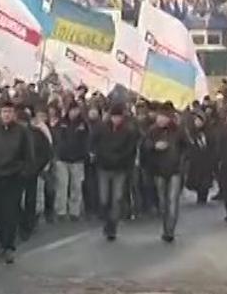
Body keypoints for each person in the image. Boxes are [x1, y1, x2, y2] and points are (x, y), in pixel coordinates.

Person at [0, 101, 33, 264]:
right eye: (4, 112)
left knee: (11, 212)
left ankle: (9, 246)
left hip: (14, 176)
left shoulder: (22, 131)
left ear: (14, 114)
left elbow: (28, 154)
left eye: (10, 112)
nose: (7, 115)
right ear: (0, 114)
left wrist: (24, 173)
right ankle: (1, 242)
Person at [91, 103, 138, 241]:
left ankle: (112, 226)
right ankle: (107, 221)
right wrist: (97, 155)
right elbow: (93, 142)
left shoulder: (128, 130)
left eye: (118, 117)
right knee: (104, 198)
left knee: (117, 198)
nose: (116, 119)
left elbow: (131, 149)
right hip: (104, 167)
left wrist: (122, 160)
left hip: (120, 168)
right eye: (114, 117)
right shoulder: (101, 128)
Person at [141, 106, 187, 243]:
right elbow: (144, 146)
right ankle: (165, 226)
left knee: (172, 200)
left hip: (175, 170)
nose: (160, 119)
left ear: (169, 118)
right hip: (158, 170)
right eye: (159, 117)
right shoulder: (152, 131)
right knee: (162, 201)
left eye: (163, 117)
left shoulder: (178, 131)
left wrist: (181, 162)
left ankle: (170, 231)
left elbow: (187, 148)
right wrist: (154, 146)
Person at [52, 102, 89, 220]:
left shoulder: (83, 124)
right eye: (72, 110)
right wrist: (57, 152)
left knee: (76, 186)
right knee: (62, 185)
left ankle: (74, 211)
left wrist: (84, 154)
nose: (74, 112)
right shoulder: (61, 123)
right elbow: (56, 138)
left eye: (76, 110)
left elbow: (87, 140)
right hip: (62, 158)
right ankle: (61, 211)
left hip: (78, 159)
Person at [17, 105, 50, 241]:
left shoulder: (37, 134)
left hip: (31, 172)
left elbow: (46, 152)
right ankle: (20, 224)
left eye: (23, 122)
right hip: (15, 173)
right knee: (16, 201)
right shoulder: (11, 134)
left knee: (30, 201)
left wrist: (37, 167)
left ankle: (28, 226)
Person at [184, 112, 217, 205]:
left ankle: (203, 196)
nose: (198, 122)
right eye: (196, 120)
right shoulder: (190, 133)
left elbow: (212, 145)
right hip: (195, 161)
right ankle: (200, 195)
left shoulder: (209, 133)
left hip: (207, 160)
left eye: (200, 120)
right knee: (197, 179)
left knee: (205, 180)